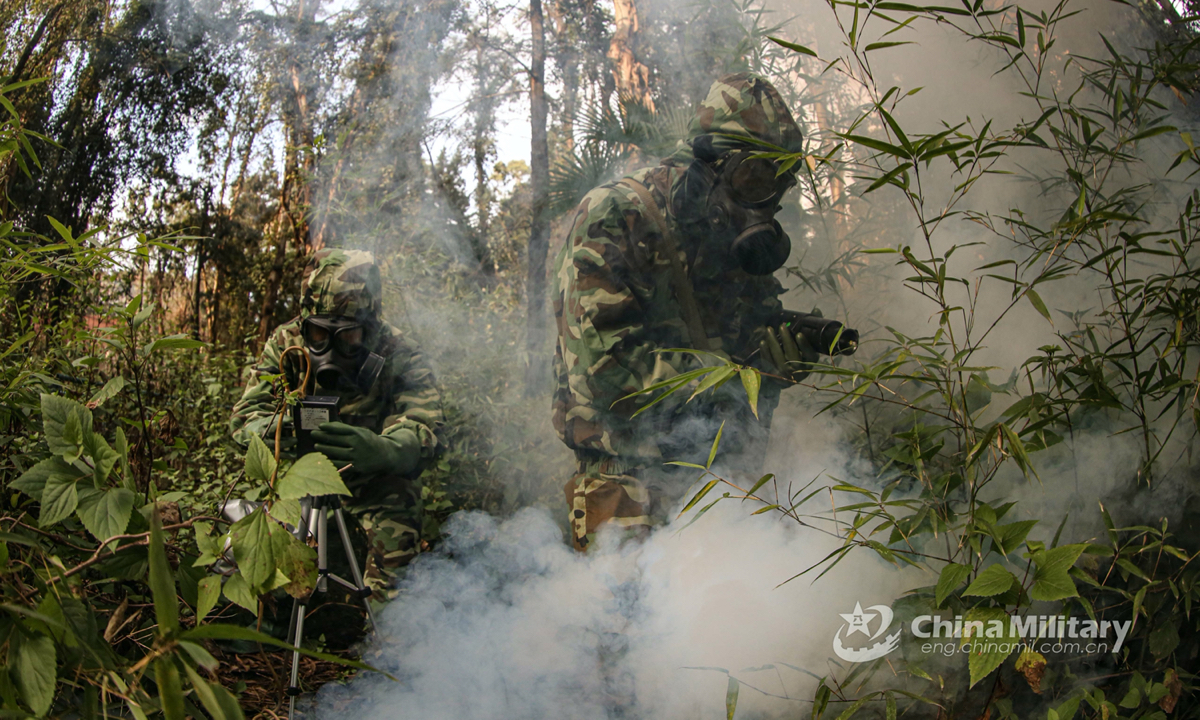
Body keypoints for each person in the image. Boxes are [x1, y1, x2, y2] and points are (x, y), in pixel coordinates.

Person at [552, 72, 818, 551]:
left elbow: (746, 336)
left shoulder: (729, 236)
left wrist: (782, 349)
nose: (763, 199)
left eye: (778, 182)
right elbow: (604, 369)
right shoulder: (617, 215)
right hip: (629, 486)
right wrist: (739, 376)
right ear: (708, 160)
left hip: (725, 475)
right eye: (752, 176)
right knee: (630, 623)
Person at [230, 248, 444, 598]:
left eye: (348, 336)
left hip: (368, 480)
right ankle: (260, 627)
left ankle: (391, 636)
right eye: (318, 335)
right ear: (304, 325)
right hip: (295, 478)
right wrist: (289, 430)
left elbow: (427, 423)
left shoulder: (398, 351)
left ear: (370, 328)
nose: (329, 348)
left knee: (399, 512)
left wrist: (388, 450)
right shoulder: (286, 344)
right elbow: (244, 419)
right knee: (252, 538)